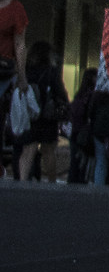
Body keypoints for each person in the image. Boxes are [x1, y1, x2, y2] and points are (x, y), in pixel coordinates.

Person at [9, 41, 68, 181]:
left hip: (30, 115)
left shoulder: (26, 71)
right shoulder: (52, 71)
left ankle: (23, 182)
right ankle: (52, 182)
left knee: (28, 150)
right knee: (49, 151)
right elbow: (60, 93)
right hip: (47, 117)